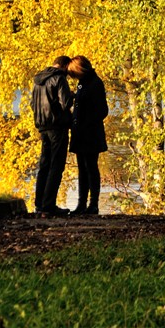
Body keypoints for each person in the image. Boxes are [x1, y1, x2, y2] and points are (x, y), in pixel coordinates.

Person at [31, 55, 74, 216]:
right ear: (65, 66)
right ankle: (49, 205)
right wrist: (72, 95)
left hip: (42, 126)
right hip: (57, 126)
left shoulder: (38, 80)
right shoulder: (59, 79)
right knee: (56, 165)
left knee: (44, 165)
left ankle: (39, 204)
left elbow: (32, 104)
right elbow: (66, 103)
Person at [67, 55, 109, 215]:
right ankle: (81, 204)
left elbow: (102, 110)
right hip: (81, 132)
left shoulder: (95, 84)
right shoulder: (83, 83)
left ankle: (93, 204)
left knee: (91, 168)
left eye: (74, 73)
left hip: (90, 133)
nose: (73, 77)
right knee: (82, 169)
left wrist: (85, 122)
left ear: (79, 69)